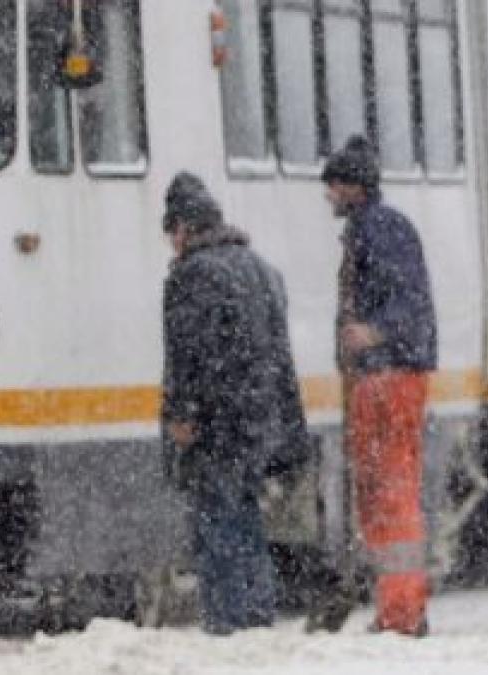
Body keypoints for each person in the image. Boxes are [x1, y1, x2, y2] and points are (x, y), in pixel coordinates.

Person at [160, 172, 310, 635]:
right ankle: (255, 615)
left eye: (171, 232)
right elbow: (279, 355)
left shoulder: (192, 275)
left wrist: (181, 413)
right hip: (259, 421)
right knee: (244, 518)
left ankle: (227, 623)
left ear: (183, 228)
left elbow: (187, 352)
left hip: (216, 422)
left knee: (217, 522)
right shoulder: (261, 269)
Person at [322, 135, 437, 637]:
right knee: (381, 489)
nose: (328, 197)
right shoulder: (372, 228)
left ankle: (401, 612)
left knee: (390, 488)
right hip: (380, 375)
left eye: (332, 187)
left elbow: (407, 300)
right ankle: (398, 606)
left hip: (388, 376)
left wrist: (377, 333)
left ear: (352, 187)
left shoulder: (381, 230)